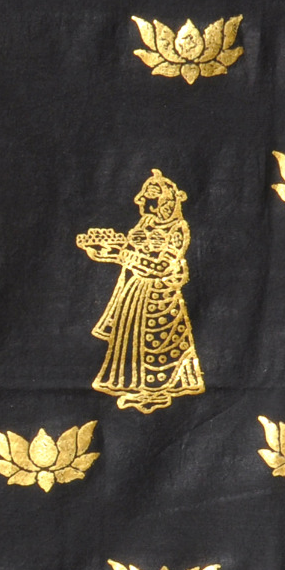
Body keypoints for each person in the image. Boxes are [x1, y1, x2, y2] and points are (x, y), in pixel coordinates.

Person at [76, 169, 204, 413]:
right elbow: (131, 251)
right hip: (137, 290)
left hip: (160, 295)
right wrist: (107, 252)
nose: (140, 199)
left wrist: (121, 254)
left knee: (156, 342)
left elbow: (162, 266)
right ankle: (140, 388)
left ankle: (157, 391)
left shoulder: (177, 228)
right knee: (134, 339)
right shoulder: (145, 223)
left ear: (165, 200)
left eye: (149, 194)